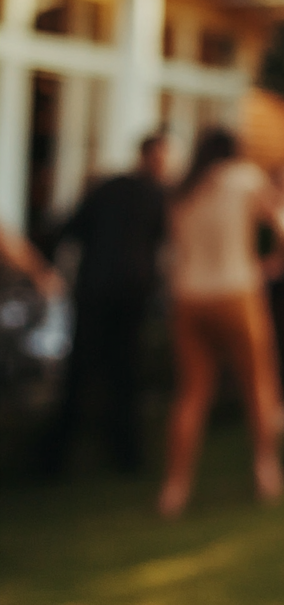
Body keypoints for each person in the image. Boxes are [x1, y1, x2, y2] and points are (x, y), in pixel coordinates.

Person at [157, 129, 284, 518]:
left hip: (188, 296)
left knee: (191, 394)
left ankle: (175, 489)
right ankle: (266, 471)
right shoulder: (244, 179)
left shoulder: (183, 189)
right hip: (237, 290)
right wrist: (276, 260)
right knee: (258, 383)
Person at [38, 132, 169, 476]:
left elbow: (67, 229)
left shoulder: (106, 188)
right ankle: (123, 454)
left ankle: (57, 458)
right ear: (151, 156)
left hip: (96, 292)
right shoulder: (154, 195)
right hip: (125, 296)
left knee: (82, 374)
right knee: (122, 374)